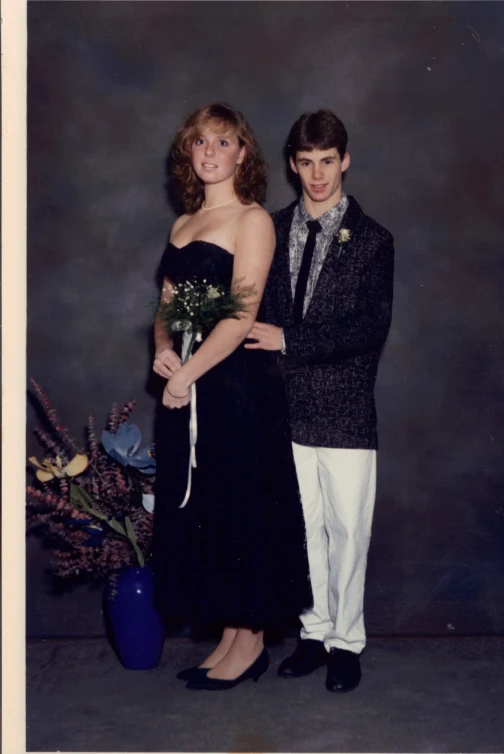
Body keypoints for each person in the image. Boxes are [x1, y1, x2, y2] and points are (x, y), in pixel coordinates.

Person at [151, 103, 311, 691]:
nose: (210, 152)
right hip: (189, 381)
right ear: (188, 153)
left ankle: (251, 643)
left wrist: (187, 373)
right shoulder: (183, 223)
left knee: (241, 506)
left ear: (243, 152)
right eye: (200, 142)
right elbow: (167, 309)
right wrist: (163, 351)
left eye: (223, 142)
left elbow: (242, 314)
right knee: (210, 509)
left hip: (237, 386)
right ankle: (230, 637)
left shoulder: (253, 221)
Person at [246, 109, 394, 693]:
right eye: (305, 163)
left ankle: (347, 644)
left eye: (327, 161)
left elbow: (370, 328)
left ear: (345, 159)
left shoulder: (375, 239)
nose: (316, 175)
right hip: (284, 407)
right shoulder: (270, 228)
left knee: (349, 531)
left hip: (347, 409)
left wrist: (289, 339)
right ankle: (314, 633)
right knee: (301, 529)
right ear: (292, 163)